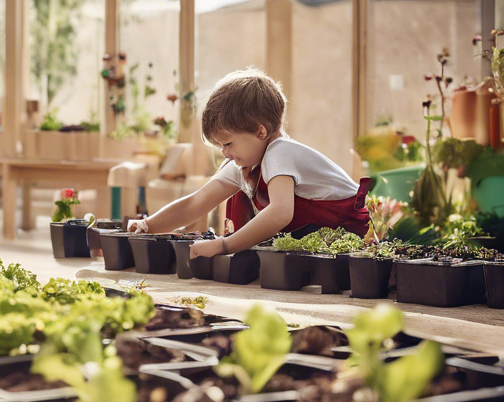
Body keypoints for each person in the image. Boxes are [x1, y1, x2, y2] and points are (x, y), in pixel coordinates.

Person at [128, 67, 369, 259]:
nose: (224, 153)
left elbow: (280, 213)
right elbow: (196, 203)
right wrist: (147, 225)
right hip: (318, 247)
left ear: (260, 131)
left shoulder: (281, 152)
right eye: (220, 146)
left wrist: (224, 245)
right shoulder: (246, 163)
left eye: (228, 144)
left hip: (356, 242)